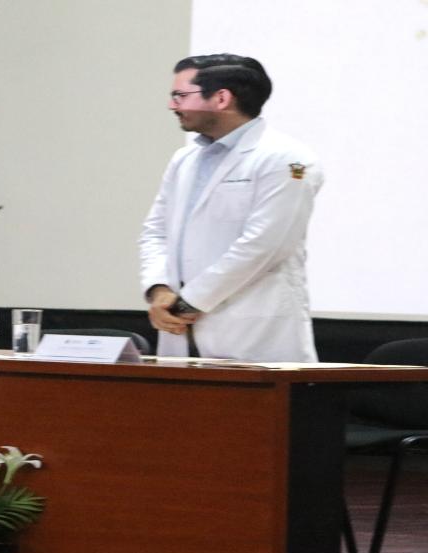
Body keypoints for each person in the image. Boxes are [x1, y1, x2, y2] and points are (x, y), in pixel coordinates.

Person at [139, 54, 324, 362]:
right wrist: (160, 291)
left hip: (253, 335)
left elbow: (265, 245)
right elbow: (155, 232)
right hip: (178, 328)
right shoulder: (184, 159)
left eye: (181, 95)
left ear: (222, 98)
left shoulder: (287, 159)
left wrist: (187, 303)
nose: (173, 105)